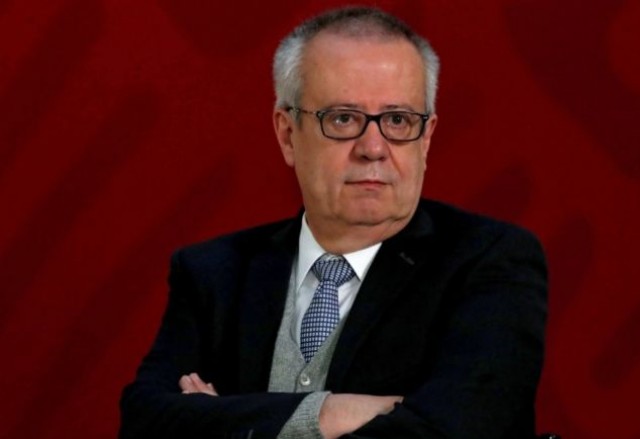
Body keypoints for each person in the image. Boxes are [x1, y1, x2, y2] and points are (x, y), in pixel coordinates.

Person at [119, 6, 547, 439]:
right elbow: (144, 424)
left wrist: (223, 420)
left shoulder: (491, 263)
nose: (373, 148)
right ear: (287, 134)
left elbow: (457, 431)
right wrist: (328, 413)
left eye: (398, 120)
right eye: (343, 119)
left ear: (427, 138)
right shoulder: (214, 273)